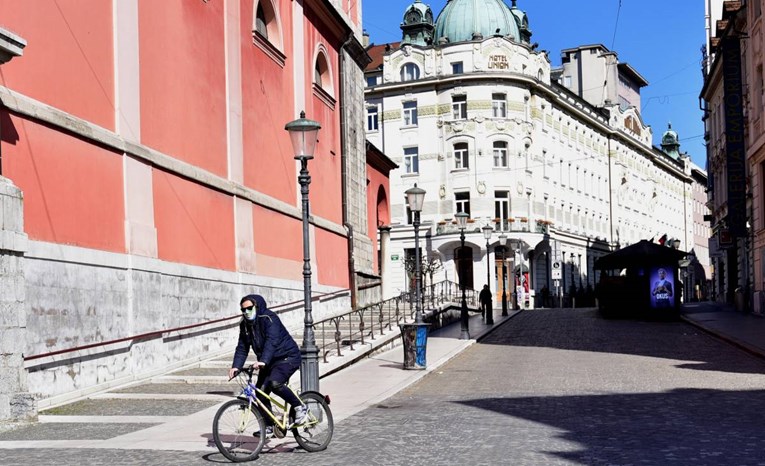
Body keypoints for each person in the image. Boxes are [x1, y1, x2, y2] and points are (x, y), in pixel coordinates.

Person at [229, 294, 308, 438]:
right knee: (259, 392)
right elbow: (242, 347)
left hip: (287, 357)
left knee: (275, 383)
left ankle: (299, 406)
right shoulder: (245, 325)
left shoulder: (269, 318)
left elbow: (271, 341)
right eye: (243, 310)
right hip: (268, 361)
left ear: (257, 307)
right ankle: (270, 425)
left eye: (249, 308)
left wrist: (263, 360)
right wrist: (236, 366)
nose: (246, 312)